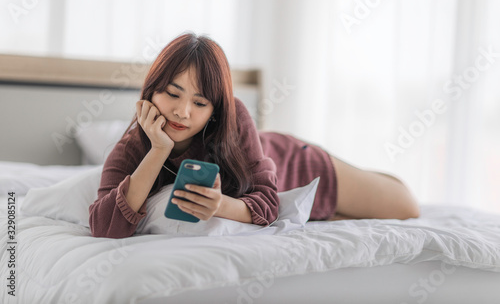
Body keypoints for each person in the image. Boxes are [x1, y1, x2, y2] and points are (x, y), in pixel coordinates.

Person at [89, 32, 420, 239]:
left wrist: (219, 205)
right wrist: (158, 150)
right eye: (171, 94)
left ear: (216, 108)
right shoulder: (133, 145)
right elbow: (104, 227)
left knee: (406, 206)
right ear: (151, 91)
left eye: (199, 102)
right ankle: (327, 212)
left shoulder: (234, 117)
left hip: (295, 165)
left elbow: (269, 201)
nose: (182, 112)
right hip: (290, 197)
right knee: (337, 216)